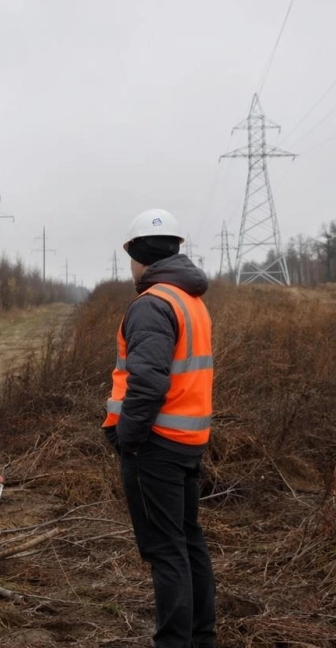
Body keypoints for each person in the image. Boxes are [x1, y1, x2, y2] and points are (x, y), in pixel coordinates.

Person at [102, 208, 216, 648]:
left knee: (167, 551)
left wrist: (127, 439)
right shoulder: (190, 299)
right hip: (188, 441)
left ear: (136, 253)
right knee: (188, 542)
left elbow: (148, 383)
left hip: (156, 445)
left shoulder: (152, 305)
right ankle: (201, 638)